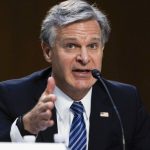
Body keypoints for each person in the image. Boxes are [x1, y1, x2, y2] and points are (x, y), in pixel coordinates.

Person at [0, 0, 150, 149]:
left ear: (102, 50)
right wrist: (26, 126)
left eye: (92, 46)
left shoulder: (126, 101)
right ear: (48, 51)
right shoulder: (11, 97)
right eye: (71, 46)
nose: (84, 58)